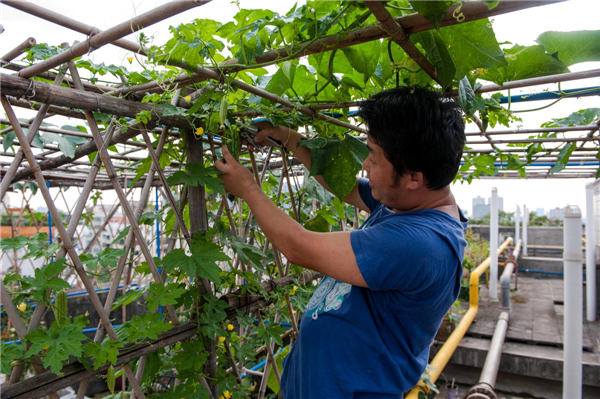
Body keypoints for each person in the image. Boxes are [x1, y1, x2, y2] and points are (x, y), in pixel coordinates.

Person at [214, 86, 468, 398]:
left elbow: (298, 247)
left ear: (413, 178)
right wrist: (289, 137)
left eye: (373, 158)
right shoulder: (407, 204)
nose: (365, 165)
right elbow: (343, 183)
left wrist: (248, 189)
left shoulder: (421, 244)